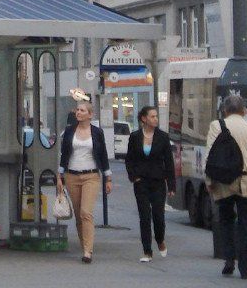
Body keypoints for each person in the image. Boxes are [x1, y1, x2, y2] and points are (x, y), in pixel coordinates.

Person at [205, 94, 247, 280]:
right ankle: (245, 268)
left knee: (226, 222)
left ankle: (229, 260)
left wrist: (209, 181)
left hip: (224, 181)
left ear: (225, 110)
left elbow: (209, 155)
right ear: (244, 111)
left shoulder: (216, 126)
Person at [57, 100, 112, 263]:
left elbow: (103, 154)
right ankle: (84, 245)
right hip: (71, 175)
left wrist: (108, 177)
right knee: (78, 215)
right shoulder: (68, 131)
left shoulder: (97, 132)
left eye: (82, 110)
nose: (78, 112)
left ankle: (88, 251)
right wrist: (59, 177)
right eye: (77, 110)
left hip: (91, 176)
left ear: (90, 114)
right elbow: (64, 155)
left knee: (86, 213)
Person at [125, 105, 176, 263]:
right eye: (152, 116)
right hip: (141, 182)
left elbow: (169, 161)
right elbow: (129, 159)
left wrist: (172, 185)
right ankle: (147, 251)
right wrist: (134, 177)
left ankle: (160, 239)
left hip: (158, 181)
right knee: (144, 216)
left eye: (156, 116)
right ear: (144, 119)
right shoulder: (134, 137)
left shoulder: (163, 137)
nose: (155, 119)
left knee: (158, 216)